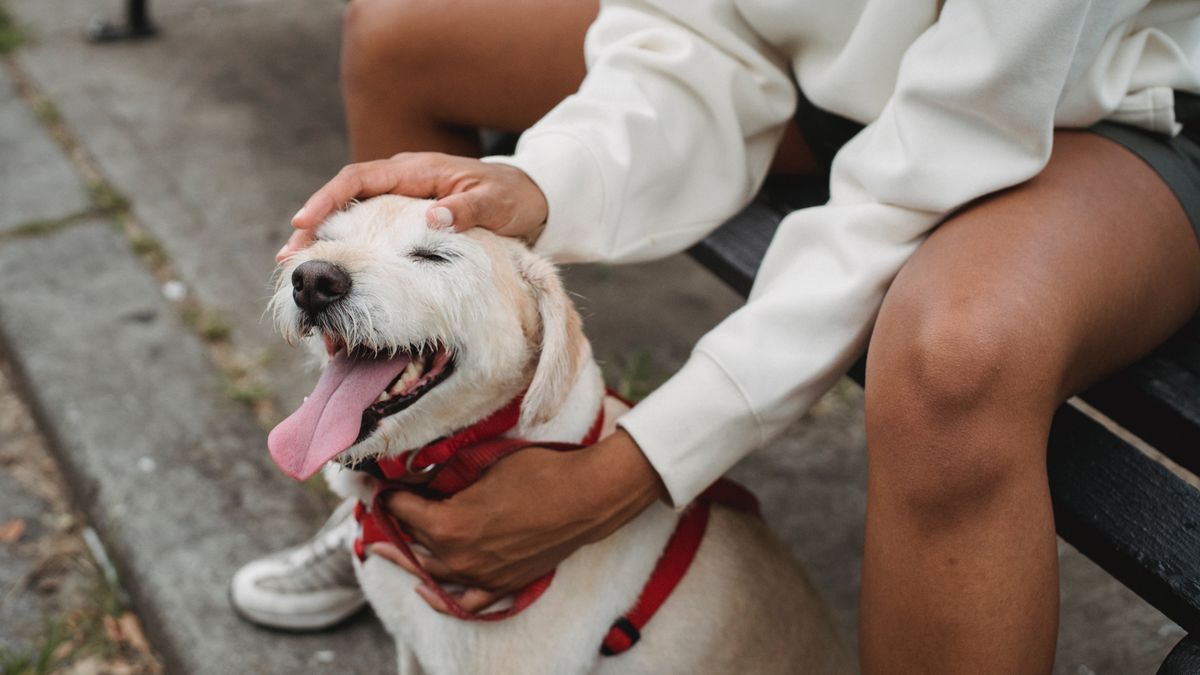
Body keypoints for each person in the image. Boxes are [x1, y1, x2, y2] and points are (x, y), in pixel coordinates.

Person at [230, 0, 1200, 670]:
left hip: (1101, 99)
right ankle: (398, 487)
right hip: (838, 78)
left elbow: (952, 141)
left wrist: (633, 467)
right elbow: (687, 32)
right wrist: (542, 184)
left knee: (956, 350)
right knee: (397, 33)